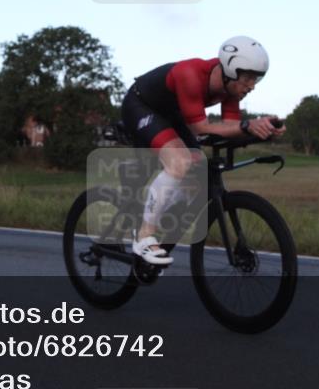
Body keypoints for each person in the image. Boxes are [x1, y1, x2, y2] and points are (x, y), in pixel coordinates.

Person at [121, 35, 285, 265]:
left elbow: (229, 129)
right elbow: (200, 129)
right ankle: (144, 235)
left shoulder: (231, 88)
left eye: (256, 79)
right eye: (248, 78)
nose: (251, 86)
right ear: (230, 69)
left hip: (172, 114)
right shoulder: (191, 74)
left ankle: (160, 213)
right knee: (179, 162)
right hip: (141, 106)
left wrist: (260, 128)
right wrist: (248, 125)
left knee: (197, 172)